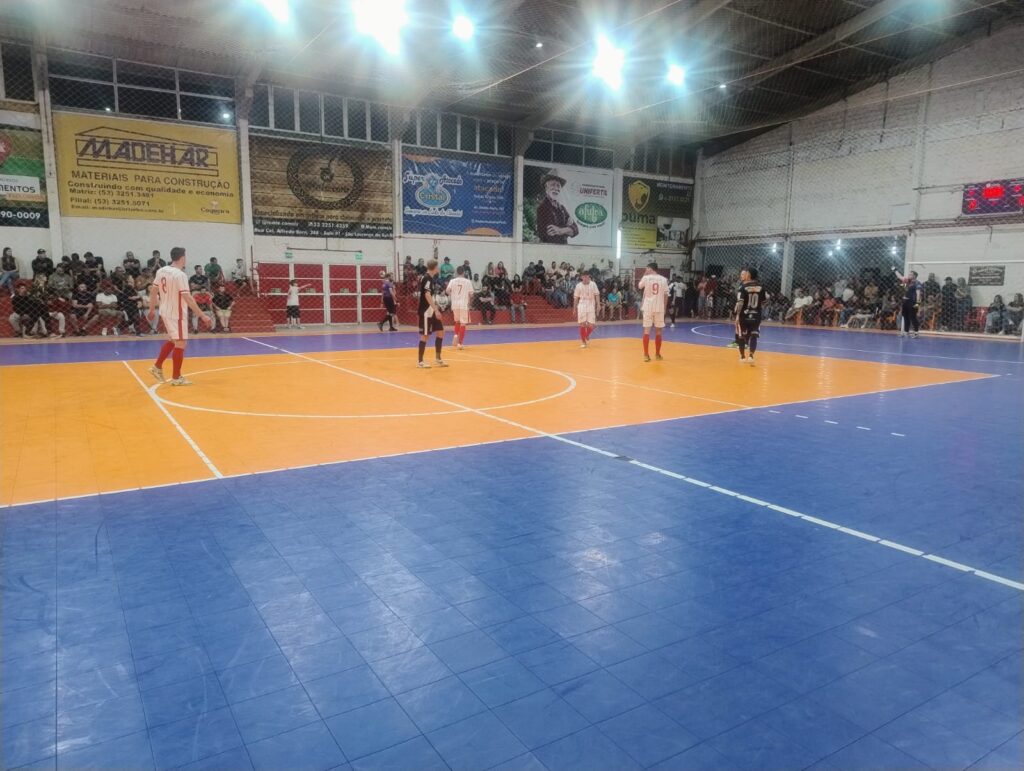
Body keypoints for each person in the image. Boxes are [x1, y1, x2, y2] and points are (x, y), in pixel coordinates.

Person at [148, 247, 213, 386]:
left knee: (173, 340)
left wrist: (152, 309)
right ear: (182, 257)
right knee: (181, 343)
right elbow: (188, 298)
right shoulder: (180, 275)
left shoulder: (161, 270)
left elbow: (153, 291)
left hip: (165, 311)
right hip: (176, 313)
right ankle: (176, 378)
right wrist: (202, 315)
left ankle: (157, 367)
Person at [416, 259, 448, 368]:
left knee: (440, 332)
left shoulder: (430, 278)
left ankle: (438, 359)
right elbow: (427, 295)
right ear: (434, 268)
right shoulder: (427, 278)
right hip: (426, 311)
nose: (438, 268)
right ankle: (420, 362)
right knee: (425, 335)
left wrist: (435, 308)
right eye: (437, 267)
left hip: (432, 310)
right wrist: (436, 309)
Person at [536, 170, 579, 244]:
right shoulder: (542, 208)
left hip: (563, 248)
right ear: (546, 187)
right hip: (550, 248)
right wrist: (567, 228)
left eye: (558, 185)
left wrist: (560, 230)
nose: (556, 188)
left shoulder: (562, 208)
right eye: (553, 184)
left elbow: (576, 230)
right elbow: (548, 235)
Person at [734, 267, 765, 366]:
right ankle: (751, 356)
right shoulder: (761, 287)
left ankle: (742, 356)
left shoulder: (743, 287)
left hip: (744, 315)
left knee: (741, 336)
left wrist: (737, 315)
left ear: (750, 275)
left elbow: (740, 302)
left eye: (746, 273)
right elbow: (764, 302)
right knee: (754, 335)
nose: (745, 274)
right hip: (756, 315)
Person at [638, 263, 669, 361]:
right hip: (659, 307)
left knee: (646, 331)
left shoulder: (646, 278)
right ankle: (657, 354)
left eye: (647, 268)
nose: (646, 270)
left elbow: (639, 286)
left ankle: (646, 355)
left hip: (648, 307)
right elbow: (666, 295)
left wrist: (644, 274)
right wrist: (664, 308)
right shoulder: (663, 279)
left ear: (650, 269)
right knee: (658, 331)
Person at [446, 266, 474, 348]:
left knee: (457, 321)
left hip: (455, 304)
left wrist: (453, 295)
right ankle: (460, 343)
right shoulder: (468, 281)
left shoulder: (452, 281)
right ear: (464, 272)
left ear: (456, 272)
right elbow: (471, 294)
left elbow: (447, 291)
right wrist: (469, 302)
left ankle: (455, 336)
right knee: (463, 323)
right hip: (463, 304)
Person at [893, 267, 922, 338]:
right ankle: (906, 332)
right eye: (909, 274)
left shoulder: (917, 283)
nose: (909, 275)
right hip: (905, 302)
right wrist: (895, 270)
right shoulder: (907, 281)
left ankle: (916, 333)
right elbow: (900, 277)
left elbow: (918, 293)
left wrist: (918, 303)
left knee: (913, 317)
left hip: (912, 302)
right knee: (905, 317)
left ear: (914, 276)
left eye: (910, 274)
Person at [573, 272, 599, 348]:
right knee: (582, 324)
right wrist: (574, 308)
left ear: (589, 277)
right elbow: (576, 298)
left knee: (592, 325)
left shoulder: (593, 284)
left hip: (591, 304)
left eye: (587, 277)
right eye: (584, 277)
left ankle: (586, 335)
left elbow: (597, 294)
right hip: (582, 305)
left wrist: (598, 304)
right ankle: (583, 342)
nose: (586, 278)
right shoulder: (578, 285)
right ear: (582, 277)